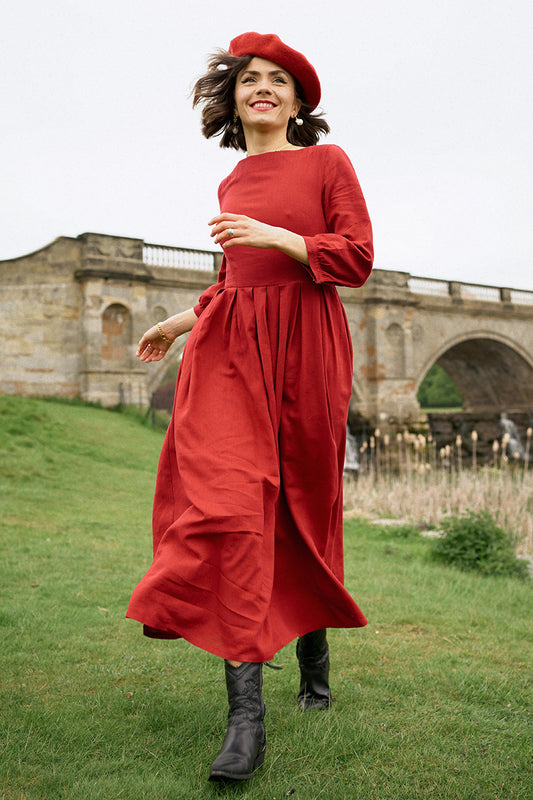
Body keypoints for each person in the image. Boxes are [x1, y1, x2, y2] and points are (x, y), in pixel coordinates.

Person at [126, 31, 373, 783]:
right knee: (231, 506)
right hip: (232, 352)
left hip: (307, 351)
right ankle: (245, 721)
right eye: (248, 80)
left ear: (298, 102)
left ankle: (313, 653)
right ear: (232, 100)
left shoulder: (327, 162)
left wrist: (280, 234)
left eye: (277, 80)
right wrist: (178, 321)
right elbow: (236, 280)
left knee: (303, 502)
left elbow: (355, 257)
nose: (261, 87)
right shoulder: (231, 182)